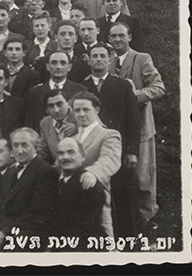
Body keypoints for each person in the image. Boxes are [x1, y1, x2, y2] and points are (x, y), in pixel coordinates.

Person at [108, 22, 165, 231]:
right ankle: (123, 224)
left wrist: (134, 96)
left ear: (130, 37)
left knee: (143, 178)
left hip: (140, 127)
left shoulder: (142, 58)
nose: (117, 40)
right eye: (113, 36)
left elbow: (159, 88)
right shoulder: (108, 61)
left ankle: (148, 220)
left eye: (121, 36)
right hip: (116, 129)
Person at [81, 42, 142, 237]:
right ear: (88, 60)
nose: (98, 60)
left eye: (102, 56)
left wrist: (132, 151)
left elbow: (133, 120)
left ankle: (128, 238)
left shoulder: (123, 85)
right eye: (94, 56)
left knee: (121, 194)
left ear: (110, 59)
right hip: (91, 150)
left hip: (118, 150)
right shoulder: (83, 86)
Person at [0, 127, 59, 252]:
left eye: (24, 145)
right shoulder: (11, 170)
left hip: (29, 237)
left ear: (36, 147)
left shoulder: (46, 172)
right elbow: (1, 210)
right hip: (6, 235)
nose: (19, 151)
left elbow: (37, 215)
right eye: (15, 145)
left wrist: (3, 234)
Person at [70, 91, 123, 238]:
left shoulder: (108, 134)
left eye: (86, 109)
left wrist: (93, 172)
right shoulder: (71, 138)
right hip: (70, 198)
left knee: (104, 242)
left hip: (95, 197)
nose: (81, 114)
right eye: (77, 110)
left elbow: (110, 159)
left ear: (97, 110)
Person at [48, 138, 108, 245]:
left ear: (83, 156)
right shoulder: (55, 181)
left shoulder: (89, 185)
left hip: (83, 245)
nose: (65, 157)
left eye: (71, 152)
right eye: (61, 154)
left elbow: (85, 227)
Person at [22, 50, 88, 133]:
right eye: (54, 63)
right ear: (47, 67)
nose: (58, 67)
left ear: (69, 67)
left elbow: (88, 121)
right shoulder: (34, 93)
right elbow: (30, 126)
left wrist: (77, 129)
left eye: (63, 63)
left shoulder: (81, 91)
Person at [36, 88, 77, 165]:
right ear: (47, 110)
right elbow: (42, 151)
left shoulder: (80, 117)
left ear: (69, 104)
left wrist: (79, 129)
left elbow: (100, 132)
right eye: (51, 106)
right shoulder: (45, 123)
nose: (56, 110)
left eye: (60, 104)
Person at [24, 10, 58, 77]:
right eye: (36, 26)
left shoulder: (56, 46)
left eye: (42, 25)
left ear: (49, 27)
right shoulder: (27, 47)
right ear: (33, 29)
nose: (40, 29)